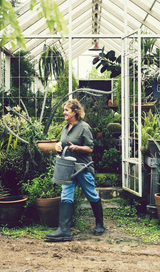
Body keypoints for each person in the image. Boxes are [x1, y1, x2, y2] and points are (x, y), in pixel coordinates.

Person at [46, 99, 105, 241]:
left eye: (66, 110)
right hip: (67, 168)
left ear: (75, 112)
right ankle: (64, 231)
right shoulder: (65, 128)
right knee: (66, 195)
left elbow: (90, 148)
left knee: (91, 194)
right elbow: (63, 143)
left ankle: (100, 224)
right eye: (64, 110)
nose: (64, 113)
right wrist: (59, 145)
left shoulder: (84, 127)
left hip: (82, 168)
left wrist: (77, 147)